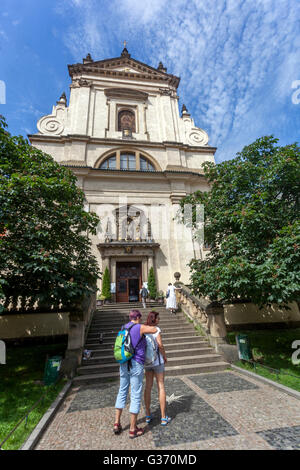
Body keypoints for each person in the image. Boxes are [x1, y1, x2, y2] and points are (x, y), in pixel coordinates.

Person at [114, 309, 157, 439]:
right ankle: (133, 429)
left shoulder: (123, 327)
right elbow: (154, 330)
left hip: (123, 363)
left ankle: (116, 423)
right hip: (136, 364)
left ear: (130, 317)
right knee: (136, 394)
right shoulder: (139, 327)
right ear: (138, 317)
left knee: (122, 391)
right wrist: (149, 322)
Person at [144, 311, 171, 426]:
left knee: (148, 387)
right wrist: (164, 356)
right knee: (161, 386)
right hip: (157, 362)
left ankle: (148, 415)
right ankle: (163, 417)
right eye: (158, 318)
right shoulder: (156, 330)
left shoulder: (144, 329)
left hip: (147, 362)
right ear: (154, 320)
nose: (159, 320)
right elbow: (160, 345)